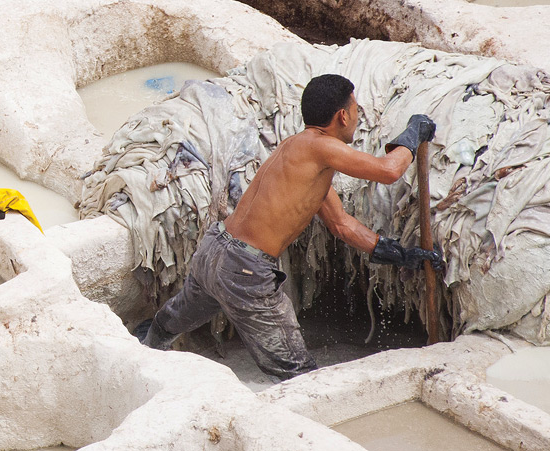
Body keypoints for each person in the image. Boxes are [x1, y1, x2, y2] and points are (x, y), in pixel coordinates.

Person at [135, 73, 441, 379]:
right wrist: (413, 133)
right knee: (299, 376)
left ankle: (143, 354)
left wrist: (398, 254)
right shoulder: (321, 146)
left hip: (215, 250)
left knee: (172, 322)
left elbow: (341, 224)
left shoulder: (299, 151)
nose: (358, 118)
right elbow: (388, 170)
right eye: (356, 110)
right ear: (343, 115)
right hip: (244, 270)